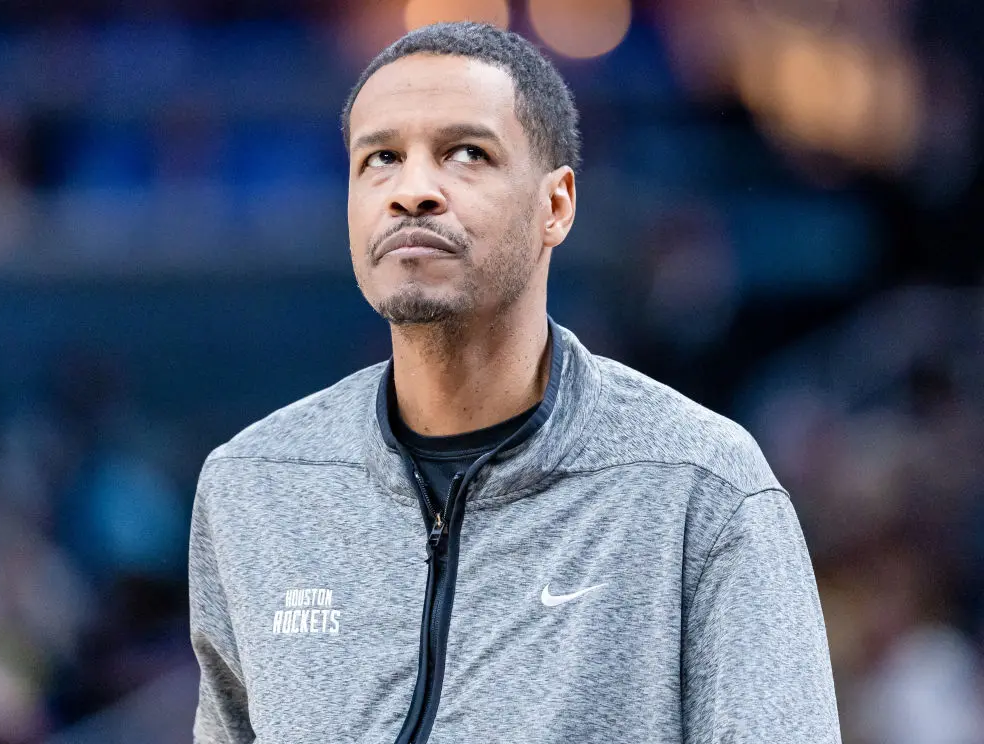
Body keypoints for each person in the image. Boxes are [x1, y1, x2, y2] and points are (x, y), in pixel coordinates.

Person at [188, 21, 841, 744]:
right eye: (380, 159)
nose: (413, 191)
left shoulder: (700, 485)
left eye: (466, 154)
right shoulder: (253, 485)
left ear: (555, 205)